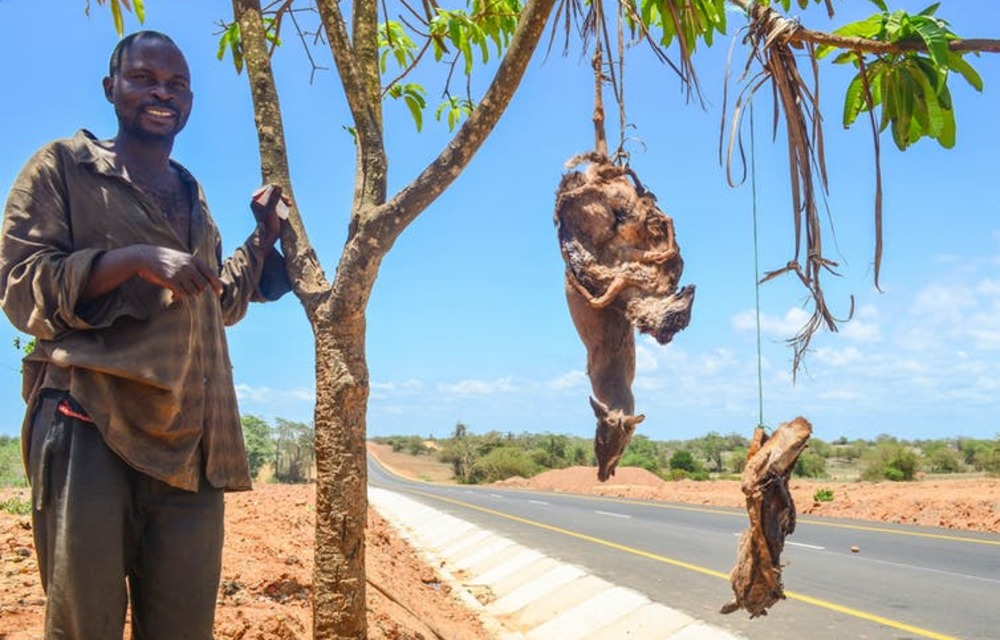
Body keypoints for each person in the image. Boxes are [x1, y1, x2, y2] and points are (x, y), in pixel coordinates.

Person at [0, 30, 292, 639]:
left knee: (184, 626)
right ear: (112, 89)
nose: (161, 93)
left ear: (189, 101)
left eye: (176, 84)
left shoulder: (192, 195)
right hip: (89, 417)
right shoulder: (63, 167)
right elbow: (20, 288)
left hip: (188, 440)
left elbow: (218, 302)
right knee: (86, 623)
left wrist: (264, 236)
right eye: (144, 80)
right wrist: (132, 259)